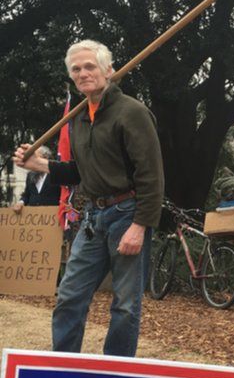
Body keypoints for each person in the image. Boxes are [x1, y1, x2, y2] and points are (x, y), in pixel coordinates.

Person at [14, 39, 165, 357]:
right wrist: (38, 164)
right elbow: (81, 170)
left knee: (125, 305)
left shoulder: (132, 113)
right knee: (69, 296)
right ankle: (64, 367)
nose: (83, 73)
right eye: (76, 69)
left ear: (108, 70)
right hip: (92, 218)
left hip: (127, 213)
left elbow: (151, 176)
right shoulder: (80, 118)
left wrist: (139, 226)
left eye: (90, 66)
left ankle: (116, 372)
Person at [12, 146, 61, 212]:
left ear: (45, 158)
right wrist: (21, 202)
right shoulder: (30, 175)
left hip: (51, 216)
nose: (33, 161)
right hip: (34, 217)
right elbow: (27, 194)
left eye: (36, 158)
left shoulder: (55, 173)